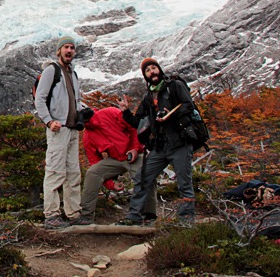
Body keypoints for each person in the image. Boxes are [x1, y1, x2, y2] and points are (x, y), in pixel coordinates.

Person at [117, 57, 197, 225]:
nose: (151, 72)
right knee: (142, 177)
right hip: (160, 146)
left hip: (180, 142)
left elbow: (188, 105)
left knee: (184, 182)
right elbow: (137, 122)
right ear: (145, 76)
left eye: (153, 68)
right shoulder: (148, 97)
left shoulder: (175, 86)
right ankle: (134, 216)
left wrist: (170, 114)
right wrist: (125, 111)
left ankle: (186, 220)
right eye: (147, 70)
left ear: (159, 69)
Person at [73, 107, 158, 225]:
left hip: (134, 154)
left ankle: (149, 215)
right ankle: (86, 216)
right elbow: (95, 161)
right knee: (93, 172)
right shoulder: (88, 135)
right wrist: (111, 185)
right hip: (115, 158)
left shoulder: (110, 113)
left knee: (145, 175)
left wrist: (135, 148)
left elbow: (134, 128)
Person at [34, 36, 84, 229]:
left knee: (73, 172)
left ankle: (73, 213)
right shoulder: (51, 71)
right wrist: (48, 121)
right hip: (58, 128)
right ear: (59, 51)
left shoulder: (73, 74)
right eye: (66, 47)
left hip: (72, 129)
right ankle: (52, 214)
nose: (69, 50)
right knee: (55, 171)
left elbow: (76, 100)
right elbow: (40, 99)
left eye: (72, 47)